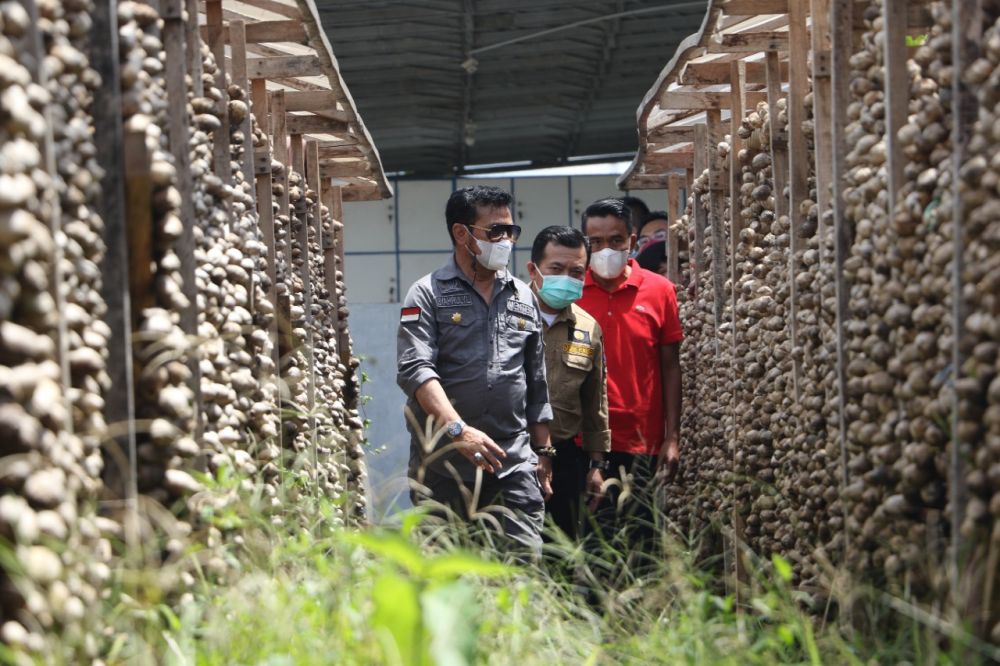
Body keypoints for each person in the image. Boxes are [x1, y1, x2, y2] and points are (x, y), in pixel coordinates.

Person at [396, 185, 554, 553]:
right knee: (447, 583)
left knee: (520, 573)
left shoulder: (523, 295)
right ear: (461, 234)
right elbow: (416, 369)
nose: (505, 240)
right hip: (444, 467)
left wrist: (544, 453)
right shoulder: (427, 293)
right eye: (495, 231)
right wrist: (458, 430)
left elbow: (535, 380)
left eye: (511, 232)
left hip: (512, 465)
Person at [577, 197, 683, 561]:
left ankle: (643, 617)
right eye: (596, 242)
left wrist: (672, 436)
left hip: (642, 441)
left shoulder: (659, 290)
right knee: (589, 545)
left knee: (642, 542)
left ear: (632, 240)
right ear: (585, 242)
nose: (606, 249)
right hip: (581, 442)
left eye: (616, 240)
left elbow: (670, 365)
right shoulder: (572, 292)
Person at [525, 226, 610, 540]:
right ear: (533, 269)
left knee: (560, 554)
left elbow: (595, 401)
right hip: (510, 453)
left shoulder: (588, 328)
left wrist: (599, 463)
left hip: (564, 459)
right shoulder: (505, 316)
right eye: (556, 269)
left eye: (576, 271)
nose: (567, 278)